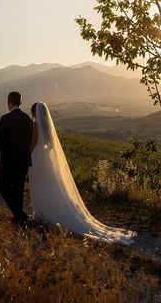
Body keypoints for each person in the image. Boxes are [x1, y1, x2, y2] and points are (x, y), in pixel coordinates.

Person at [28, 101, 136, 245]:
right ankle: (49, 211)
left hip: (38, 157)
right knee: (51, 185)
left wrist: (28, 154)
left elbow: (34, 142)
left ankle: (43, 214)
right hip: (46, 157)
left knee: (41, 185)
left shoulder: (35, 124)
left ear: (34, 113)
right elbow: (49, 143)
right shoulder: (48, 126)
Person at [0, 91, 33, 224]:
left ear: (9, 102)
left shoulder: (5, 118)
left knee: (3, 188)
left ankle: (21, 215)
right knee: (18, 190)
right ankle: (18, 218)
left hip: (9, 161)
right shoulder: (28, 119)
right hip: (24, 161)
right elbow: (30, 140)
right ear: (21, 102)